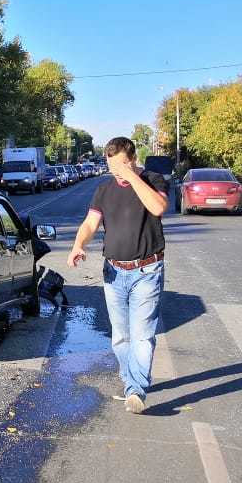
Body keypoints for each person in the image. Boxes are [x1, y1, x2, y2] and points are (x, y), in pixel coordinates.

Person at [67, 137, 169, 413]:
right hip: (113, 272)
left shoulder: (153, 179)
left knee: (142, 334)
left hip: (147, 270)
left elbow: (158, 208)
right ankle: (131, 380)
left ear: (133, 160)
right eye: (111, 166)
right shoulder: (103, 190)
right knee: (120, 336)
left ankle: (136, 389)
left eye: (120, 165)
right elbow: (90, 223)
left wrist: (132, 177)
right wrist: (79, 244)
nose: (115, 172)